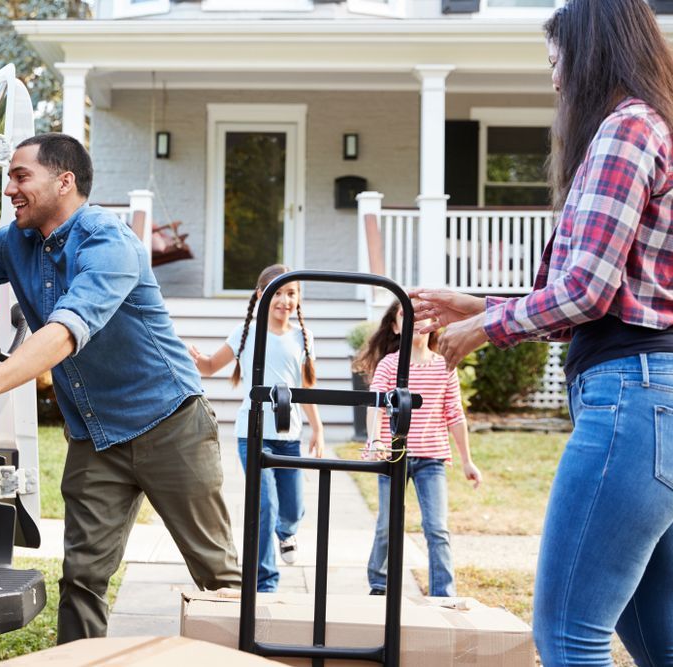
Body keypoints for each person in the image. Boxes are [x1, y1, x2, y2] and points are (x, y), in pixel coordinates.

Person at [0, 133, 241, 642]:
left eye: (20, 176)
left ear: (64, 181)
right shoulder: (15, 242)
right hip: (96, 437)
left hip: (170, 425)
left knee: (217, 576)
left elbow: (64, 333)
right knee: (82, 578)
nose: (9, 188)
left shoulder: (108, 241)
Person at [410, 0, 673, 662]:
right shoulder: (652, 128)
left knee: (567, 633)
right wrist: (479, 306)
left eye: (556, 63)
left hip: (631, 405)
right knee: (659, 641)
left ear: (589, 55)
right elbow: (603, 293)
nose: (554, 81)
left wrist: (483, 331)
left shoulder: (625, 132)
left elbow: (585, 294)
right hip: (653, 405)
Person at [189, 264, 324, 593]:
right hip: (252, 434)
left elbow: (306, 387)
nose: (284, 299)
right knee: (265, 505)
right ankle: (266, 583)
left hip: (289, 437)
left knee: (292, 508)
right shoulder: (245, 333)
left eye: (291, 293)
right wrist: (192, 356)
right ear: (261, 295)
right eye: (277, 292)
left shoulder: (302, 337)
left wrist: (317, 429)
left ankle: (287, 532)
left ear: (298, 300)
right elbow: (209, 366)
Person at [353, 300, 481, 598]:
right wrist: (376, 442)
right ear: (396, 327)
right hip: (392, 456)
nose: (415, 321)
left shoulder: (444, 366)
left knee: (437, 528)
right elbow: (376, 407)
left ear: (434, 325)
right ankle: (379, 584)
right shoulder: (388, 365)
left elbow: (455, 414)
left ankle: (443, 594)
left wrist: (467, 461)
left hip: (431, 458)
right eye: (406, 315)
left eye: (424, 315)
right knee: (387, 524)